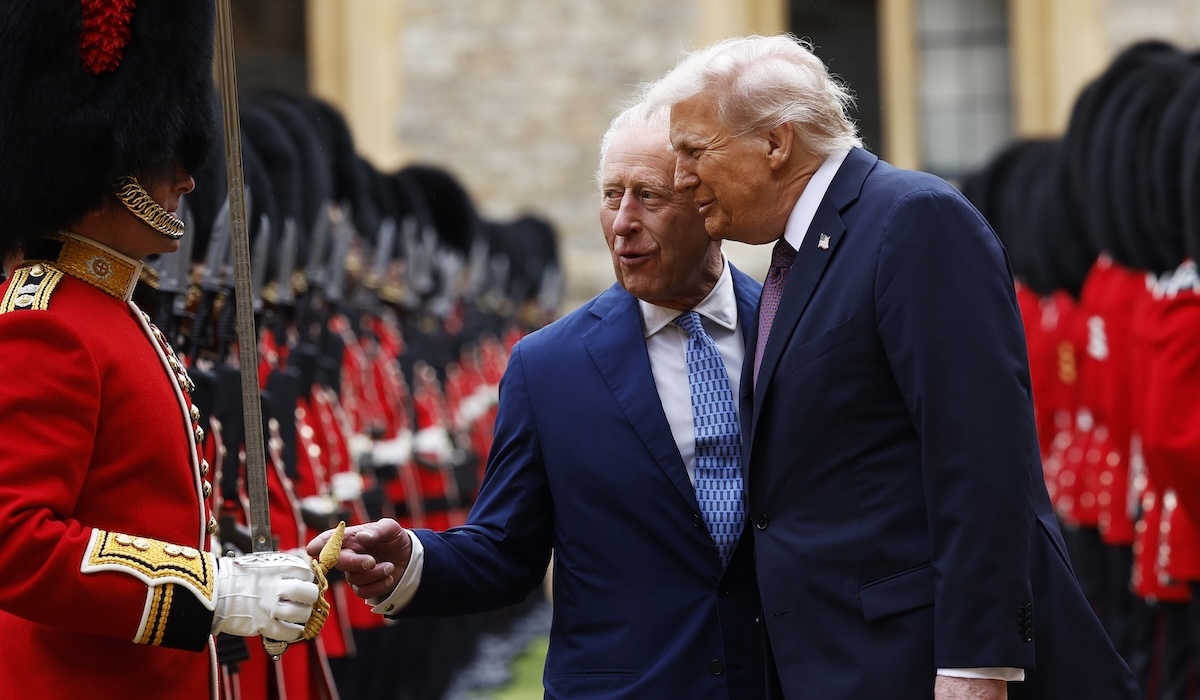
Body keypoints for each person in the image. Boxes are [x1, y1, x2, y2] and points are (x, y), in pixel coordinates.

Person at [642, 34, 1140, 700]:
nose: (680, 178)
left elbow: (980, 457)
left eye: (694, 151)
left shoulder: (913, 220)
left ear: (776, 142)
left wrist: (976, 662)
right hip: (842, 659)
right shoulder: (805, 255)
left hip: (918, 659)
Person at [309, 102, 765, 699]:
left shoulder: (795, 328)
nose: (622, 222)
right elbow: (506, 548)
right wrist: (412, 560)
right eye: (611, 196)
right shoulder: (548, 364)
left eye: (649, 196)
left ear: (709, 203)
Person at [0, 3, 324, 698]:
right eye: (161, 151)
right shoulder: (46, 323)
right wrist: (212, 592)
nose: (187, 179)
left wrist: (238, 575)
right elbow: (13, 540)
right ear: (102, 161)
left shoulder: (114, 313)